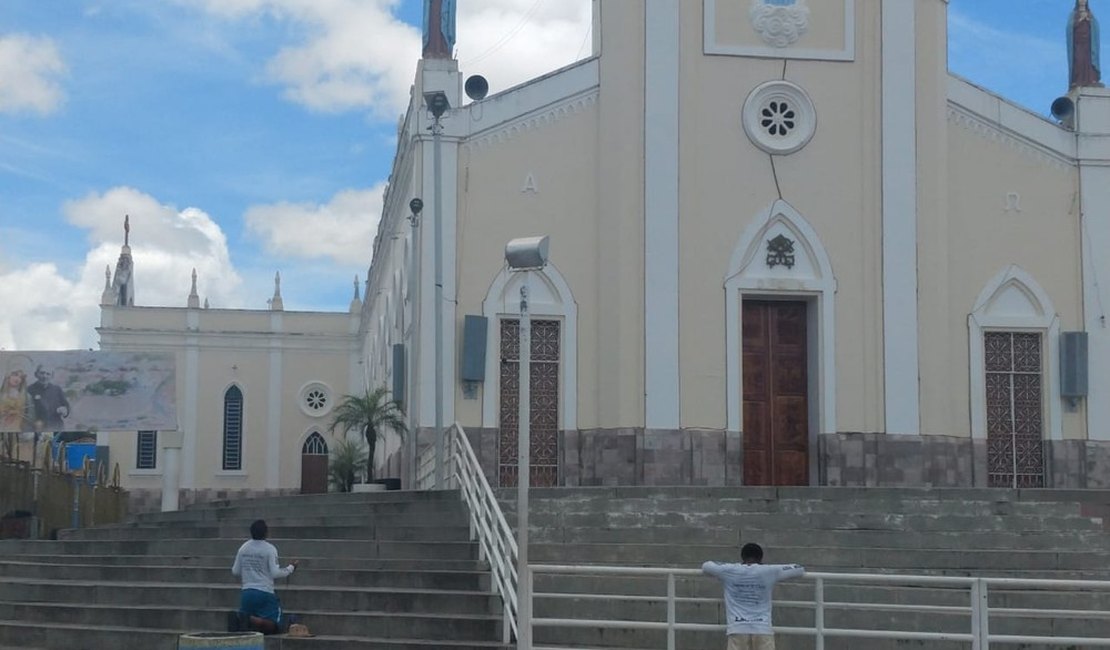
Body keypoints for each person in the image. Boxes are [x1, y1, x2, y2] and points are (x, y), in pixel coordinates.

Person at [702, 543, 805, 650]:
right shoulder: (769, 570)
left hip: (737, 627)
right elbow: (799, 569)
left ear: (743, 556)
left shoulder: (729, 570)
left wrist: (728, 566)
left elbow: (706, 566)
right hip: (762, 627)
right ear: (760, 557)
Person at [230, 519, 298, 634]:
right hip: (264, 592)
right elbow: (275, 573)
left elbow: (235, 571)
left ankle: (243, 618)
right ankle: (250, 619)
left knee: (249, 628)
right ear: (266, 533)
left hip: (247, 592)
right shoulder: (269, 549)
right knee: (276, 625)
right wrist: (291, 568)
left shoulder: (243, 548)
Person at [27, 366, 69, 432]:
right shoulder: (29, 389)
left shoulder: (57, 389)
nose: (45, 376)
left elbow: (66, 406)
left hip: (57, 426)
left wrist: (65, 410)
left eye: (48, 374)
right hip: (38, 428)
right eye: (42, 373)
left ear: (52, 376)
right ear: (36, 374)